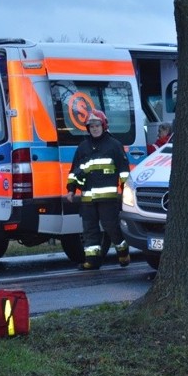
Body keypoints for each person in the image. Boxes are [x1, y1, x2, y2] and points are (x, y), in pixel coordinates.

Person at [66, 109, 131, 270]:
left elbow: (124, 171)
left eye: (97, 125)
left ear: (103, 126)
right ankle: (92, 261)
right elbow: (75, 170)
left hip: (107, 198)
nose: (94, 128)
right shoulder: (83, 147)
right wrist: (71, 189)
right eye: (91, 126)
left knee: (111, 227)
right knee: (89, 230)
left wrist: (125, 192)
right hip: (87, 198)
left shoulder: (114, 145)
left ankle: (123, 253)